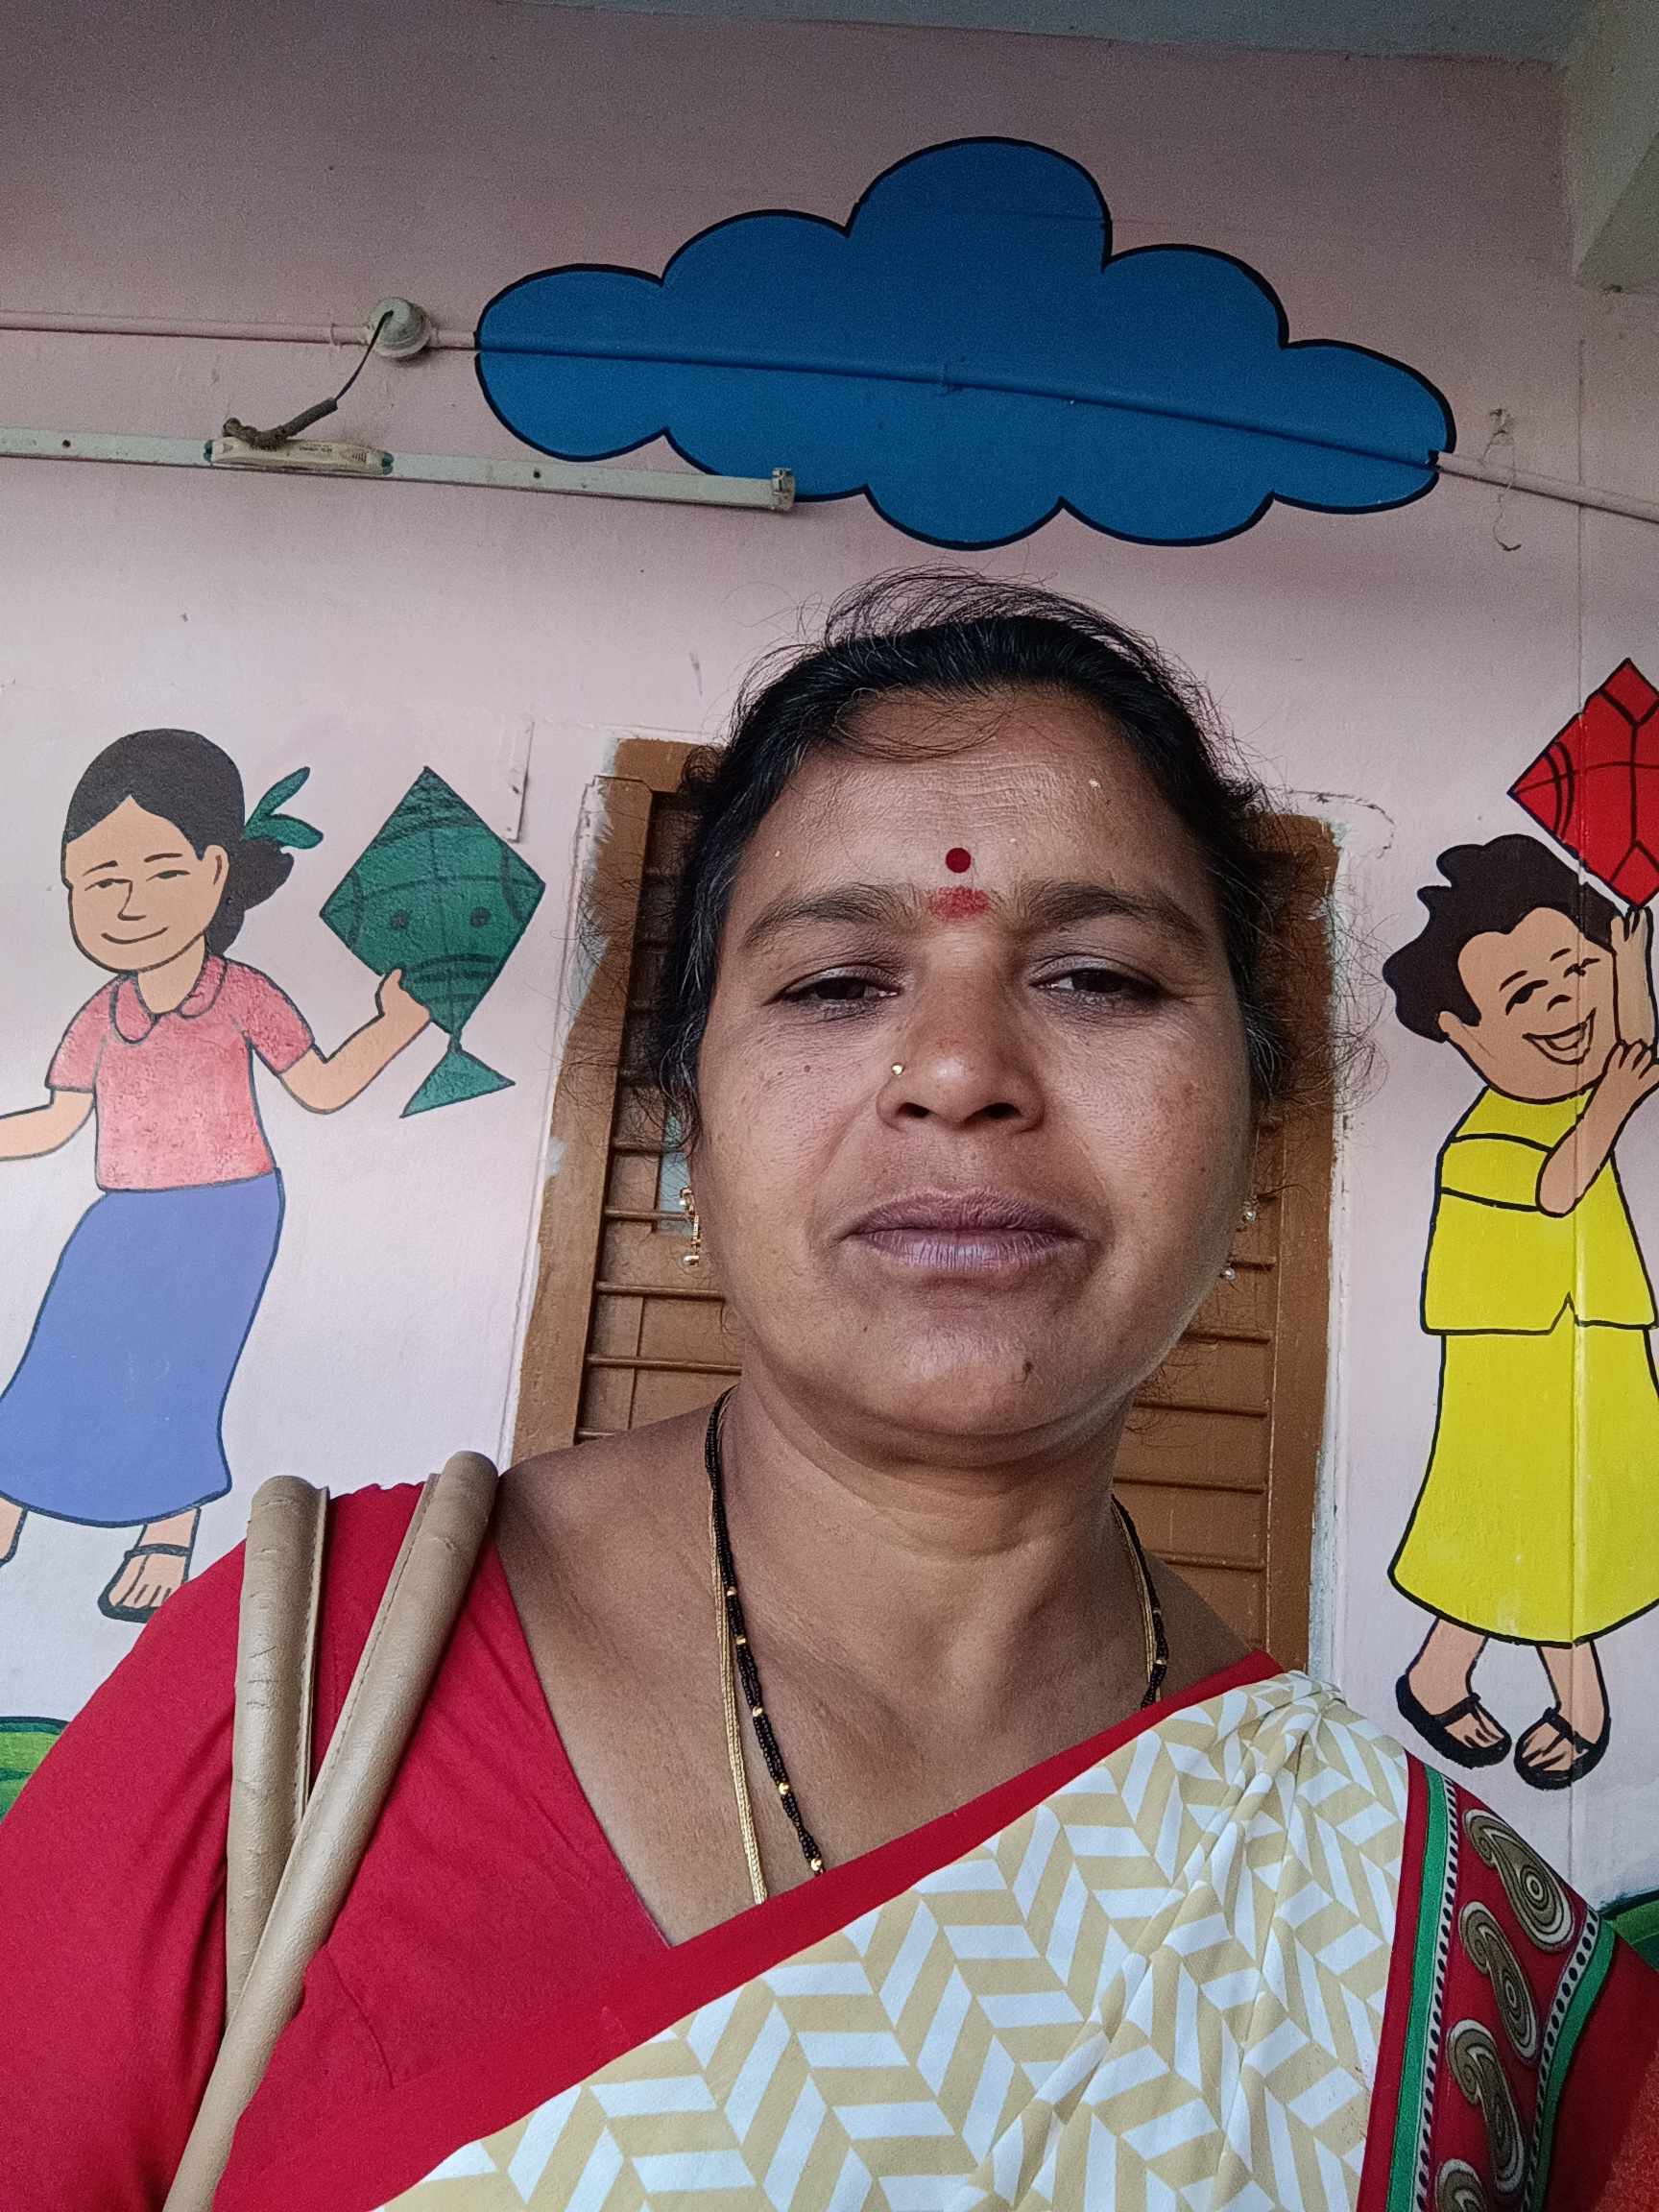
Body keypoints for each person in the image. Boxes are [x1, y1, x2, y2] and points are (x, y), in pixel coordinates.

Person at [0, 581, 1653, 2212]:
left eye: (1098, 977)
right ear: (686, 1120)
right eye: (834, 983)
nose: (959, 1070)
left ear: (1252, 1122)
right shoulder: (294, 1692)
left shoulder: (1446, 1967)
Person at [0, 732, 430, 1620]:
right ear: (70, 885)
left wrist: (394, 1026)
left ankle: (167, 1529)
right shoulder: (100, 1013)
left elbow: (319, 1087)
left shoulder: (242, 995)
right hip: (122, 1215)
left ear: (216, 874)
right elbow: (54, 1121)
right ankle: (9, 1496)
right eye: (101, 881)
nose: (130, 903)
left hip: (227, 1215)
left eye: (161, 872)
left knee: (178, 1371)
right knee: (61, 1351)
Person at [1384, 836, 1659, 1789]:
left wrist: (1630, 964)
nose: (1564, 1005)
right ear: (1463, 1034)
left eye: (1576, 972)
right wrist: (1612, 1104)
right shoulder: (1484, 1140)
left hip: (1595, 1347)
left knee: (1552, 1524)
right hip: (1516, 1370)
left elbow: (1631, 1053)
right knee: (1537, 1527)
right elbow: (1556, 1188)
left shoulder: (1582, 1093)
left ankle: (1438, 1673)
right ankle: (1580, 1704)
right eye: (1524, 995)